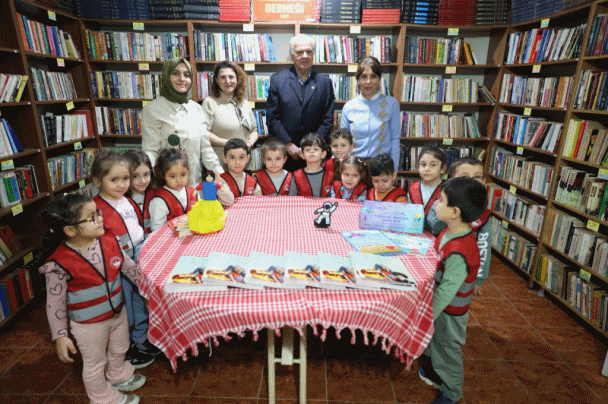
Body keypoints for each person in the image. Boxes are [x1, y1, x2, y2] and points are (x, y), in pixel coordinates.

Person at [38, 193, 145, 404]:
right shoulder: (58, 263)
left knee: (120, 347)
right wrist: (60, 335)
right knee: (95, 362)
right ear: (70, 230)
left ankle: (117, 374)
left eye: (98, 213)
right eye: (91, 217)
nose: (100, 219)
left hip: (118, 312)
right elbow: (54, 302)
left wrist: (150, 289)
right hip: (88, 325)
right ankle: (102, 398)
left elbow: (130, 268)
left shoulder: (111, 241)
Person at [418, 177, 487, 404]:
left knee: (448, 352)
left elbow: (447, 292)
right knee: (435, 342)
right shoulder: (449, 231)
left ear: (454, 212)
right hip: (439, 308)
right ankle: (435, 371)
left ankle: (452, 393)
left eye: (441, 200)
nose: (436, 203)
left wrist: (428, 315)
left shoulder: (460, 250)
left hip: (449, 313)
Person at [91, 150, 159, 368]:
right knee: (127, 305)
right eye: (114, 180)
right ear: (97, 180)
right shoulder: (95, 208)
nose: (122, 184)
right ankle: (129, 345)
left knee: (140, 299)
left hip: (138, 254)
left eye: (125, 179)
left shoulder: (126, 200)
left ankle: (142, 336)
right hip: (119, 264)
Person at [142, 57, 223, 187]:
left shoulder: (196, 108)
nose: (182, 79)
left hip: (194, 185)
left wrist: (221, 175)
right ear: (166, 76)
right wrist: (150, 182)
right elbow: (151, 152)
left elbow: (206, 149)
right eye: (175, 73)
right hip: (167, 187)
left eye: (186, 75)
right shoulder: (152, 109)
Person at [266, 34, 335, 171]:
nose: (305, 56)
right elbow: (272, 118)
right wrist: (288, 144)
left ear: (313, 54)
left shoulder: (325, 82)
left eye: (309, 51)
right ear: (292, 56)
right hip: (285, 155)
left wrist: (312, 147)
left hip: (315, 155)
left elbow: (327, 119)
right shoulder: (278, 80)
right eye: (299, 52)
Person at [340, 56, 401, 170]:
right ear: (358, 79)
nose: (368, 82)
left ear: (379, 79)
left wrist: (394, 169)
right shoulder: (348, 107)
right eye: (363, 77)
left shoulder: (392, 104)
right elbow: (342, 142)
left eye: (373, 76)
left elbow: (395, 139)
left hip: (382, 167)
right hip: (354, 167)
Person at [202, 61, 259, 165]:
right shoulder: (209, 102)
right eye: (223, 77)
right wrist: (230, 144)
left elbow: (254, 131)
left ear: (237, 79)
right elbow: (204, 133)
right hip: (220, 164)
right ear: (216, 80)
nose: (227, 81)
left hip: (244, 163)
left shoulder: (244, 102)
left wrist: (250, 143)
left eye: (231, 77)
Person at [449, 157, 491, 296]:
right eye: (465, 177)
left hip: (465, 272)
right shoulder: (445, 205)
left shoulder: (483, 216)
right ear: (451, 180)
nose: (471, 182)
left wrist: (478, 279)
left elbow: (484, 249)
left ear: (483, 182)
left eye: (477, 177)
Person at [148, 148, 197, 232]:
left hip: (194, 236)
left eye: (183, 174)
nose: (179, 180)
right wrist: (182, 229)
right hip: (170, 237)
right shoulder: (159, 200)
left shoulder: (193, 192)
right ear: (163, 175)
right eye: (173, 176)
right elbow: (156, 228)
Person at [409, 144, 447, 233]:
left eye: (433, 165)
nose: (427, 169)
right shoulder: (412, 188)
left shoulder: (446, 190)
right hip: (414, 232)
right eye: (423, 164)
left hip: (438, 234)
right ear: (418, 167)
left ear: (442, 168)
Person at [289, 133, 334, 197]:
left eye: (316, 149)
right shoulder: (296, 175)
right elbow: (292, 198)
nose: (311, 152)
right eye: (308, 150)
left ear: (323, 154)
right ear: (302, 155)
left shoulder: (331, 175)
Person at [124, 150, 155, 236]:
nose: (142, 181)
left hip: (153, 240)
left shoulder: (155, 195)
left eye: (146, 174)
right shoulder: (121, 199)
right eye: (135, 176)